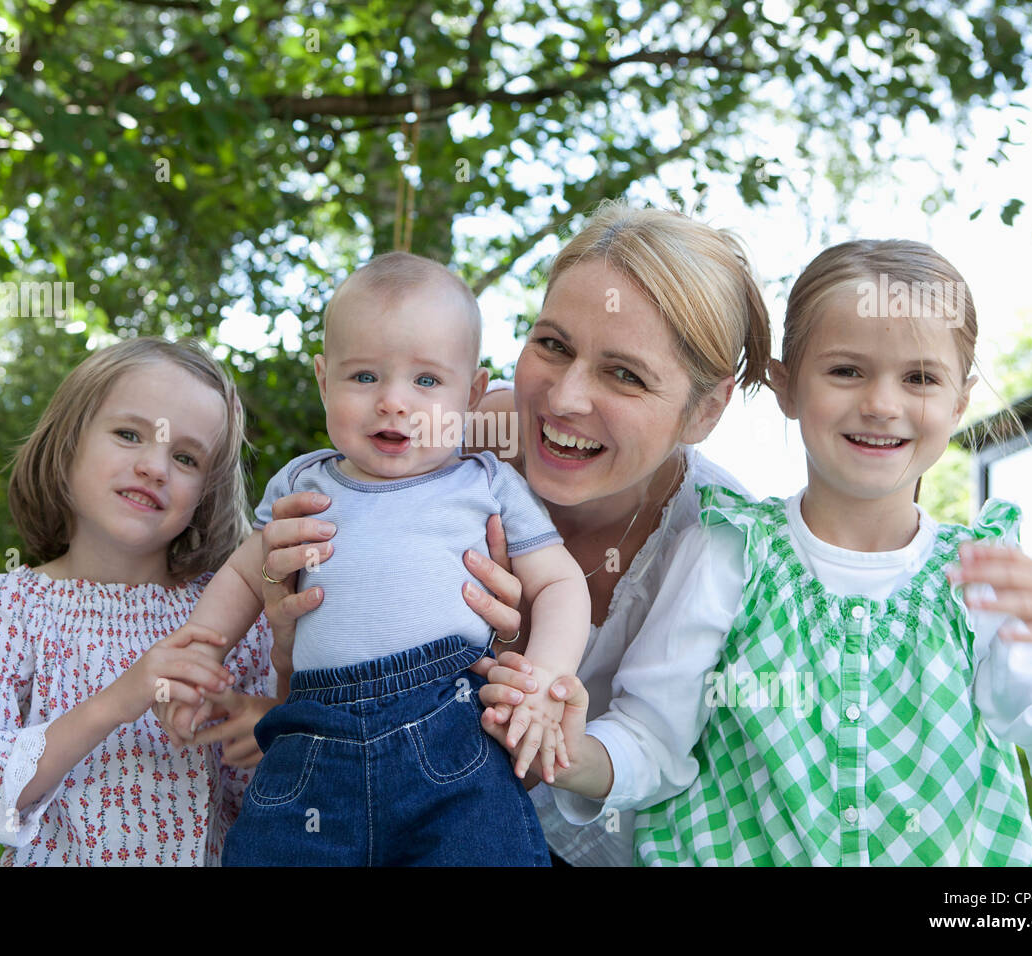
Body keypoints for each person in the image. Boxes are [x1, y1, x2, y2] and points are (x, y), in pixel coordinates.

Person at [522, 239, 1032, 864]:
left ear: (959, 402)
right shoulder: (728, 552)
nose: (882, 404)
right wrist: (572, 754)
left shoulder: (984, 576)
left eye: (919, 377)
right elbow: (655, 739)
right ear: (785, 386)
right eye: (846, 370)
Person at [242, 202, 773, 865]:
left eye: (624, 374)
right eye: (552, 344)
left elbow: (657, 748)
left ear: (705, 409)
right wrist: (284, 629)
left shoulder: (721, 538)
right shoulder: (441, 439)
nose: (566, 398)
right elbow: (333, 649)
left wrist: (537, 727)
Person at [162, 251, 590, 866]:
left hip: (450, 727)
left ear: (471, 394)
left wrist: (544, 679)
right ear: (323, 380)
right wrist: (203, 644)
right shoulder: (302, 484)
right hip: (312, 738)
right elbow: (243, 571)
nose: (393, 402)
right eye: (364, 377)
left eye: (426, 381)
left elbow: (559, 583)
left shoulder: (484, 483)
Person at [0, 338, 274, 865]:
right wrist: (119, 699)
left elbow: (276, 797)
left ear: (207, 492)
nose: (155, 467)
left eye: (185, 457)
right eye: (129, 434)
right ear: (67, 445)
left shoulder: (236, 614)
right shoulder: (8, 607)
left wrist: (268, 727)